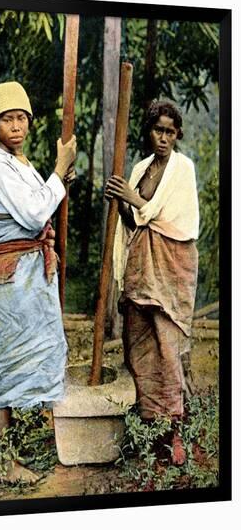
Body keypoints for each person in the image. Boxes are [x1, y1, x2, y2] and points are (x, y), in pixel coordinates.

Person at [0, 81, 76, 484]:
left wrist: (56, 182)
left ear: (29, 123)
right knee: (3, 362)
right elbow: (32, 216)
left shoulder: (22, 164)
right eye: (7, 119)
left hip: (27, 280)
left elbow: (36, 206)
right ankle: (3, 462)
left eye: (21, 118)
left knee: (38, 353)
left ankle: (29, 443)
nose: (15, 126)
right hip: (7, 282)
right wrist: (59, 172)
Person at [104, 100, 199, 465]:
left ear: (178, 135)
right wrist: (121, 200)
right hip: (142, 267)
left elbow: (173, 220)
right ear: (149, 130)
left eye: (170, 132)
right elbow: (135, 220)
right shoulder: (142, 167)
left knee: (166, 344)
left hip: (170, 268)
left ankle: (174, 430)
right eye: (158, 130)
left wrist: (132, 198)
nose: (163, 138)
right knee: (138, 343)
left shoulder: (183, 169)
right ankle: (149, 426)